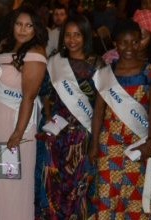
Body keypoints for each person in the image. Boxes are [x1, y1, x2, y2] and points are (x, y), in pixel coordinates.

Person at [0, 6, 48, 220]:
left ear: (36, 29)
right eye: (19, 24)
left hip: (14, 125)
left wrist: (17, 133)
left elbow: (28, 96)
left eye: (29, 25)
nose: (23, 29)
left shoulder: (35, 53)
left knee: (9, 181)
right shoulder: (5, 45)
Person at [35, 15, 103, 219]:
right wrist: (48, 117)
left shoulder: (97, 64)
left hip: (83, 131)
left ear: (86, 36)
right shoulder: (55, 60)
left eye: (77, 35)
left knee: (78, 182)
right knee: (50, 179)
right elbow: (45, 92)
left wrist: (94, 142)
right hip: (55, 130)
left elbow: (101, 104)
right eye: (68, 35)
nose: (72, 40)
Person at [90, 19, 151, 220]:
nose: (129, 47)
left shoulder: (150, 73)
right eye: (123, 43)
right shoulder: (105, 74)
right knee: (107, 197)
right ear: (115, 44)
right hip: (109, 144)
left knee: (134, 199)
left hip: (139, 144)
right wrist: (93, 146)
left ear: (141, 42)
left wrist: (150, 142)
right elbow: (99, 112)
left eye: (134, 42)